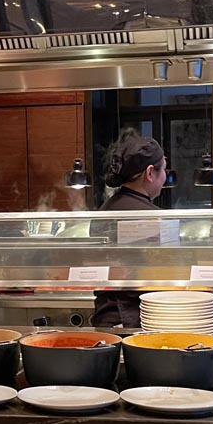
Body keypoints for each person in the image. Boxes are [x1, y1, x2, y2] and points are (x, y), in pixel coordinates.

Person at [91, 134, 168, 328]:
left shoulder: (103, 212)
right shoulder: (155, 218)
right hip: (140, 317)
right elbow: (165, 271)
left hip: (104, 315)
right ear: (150, 173)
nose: (165, 177)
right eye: (164, 169)